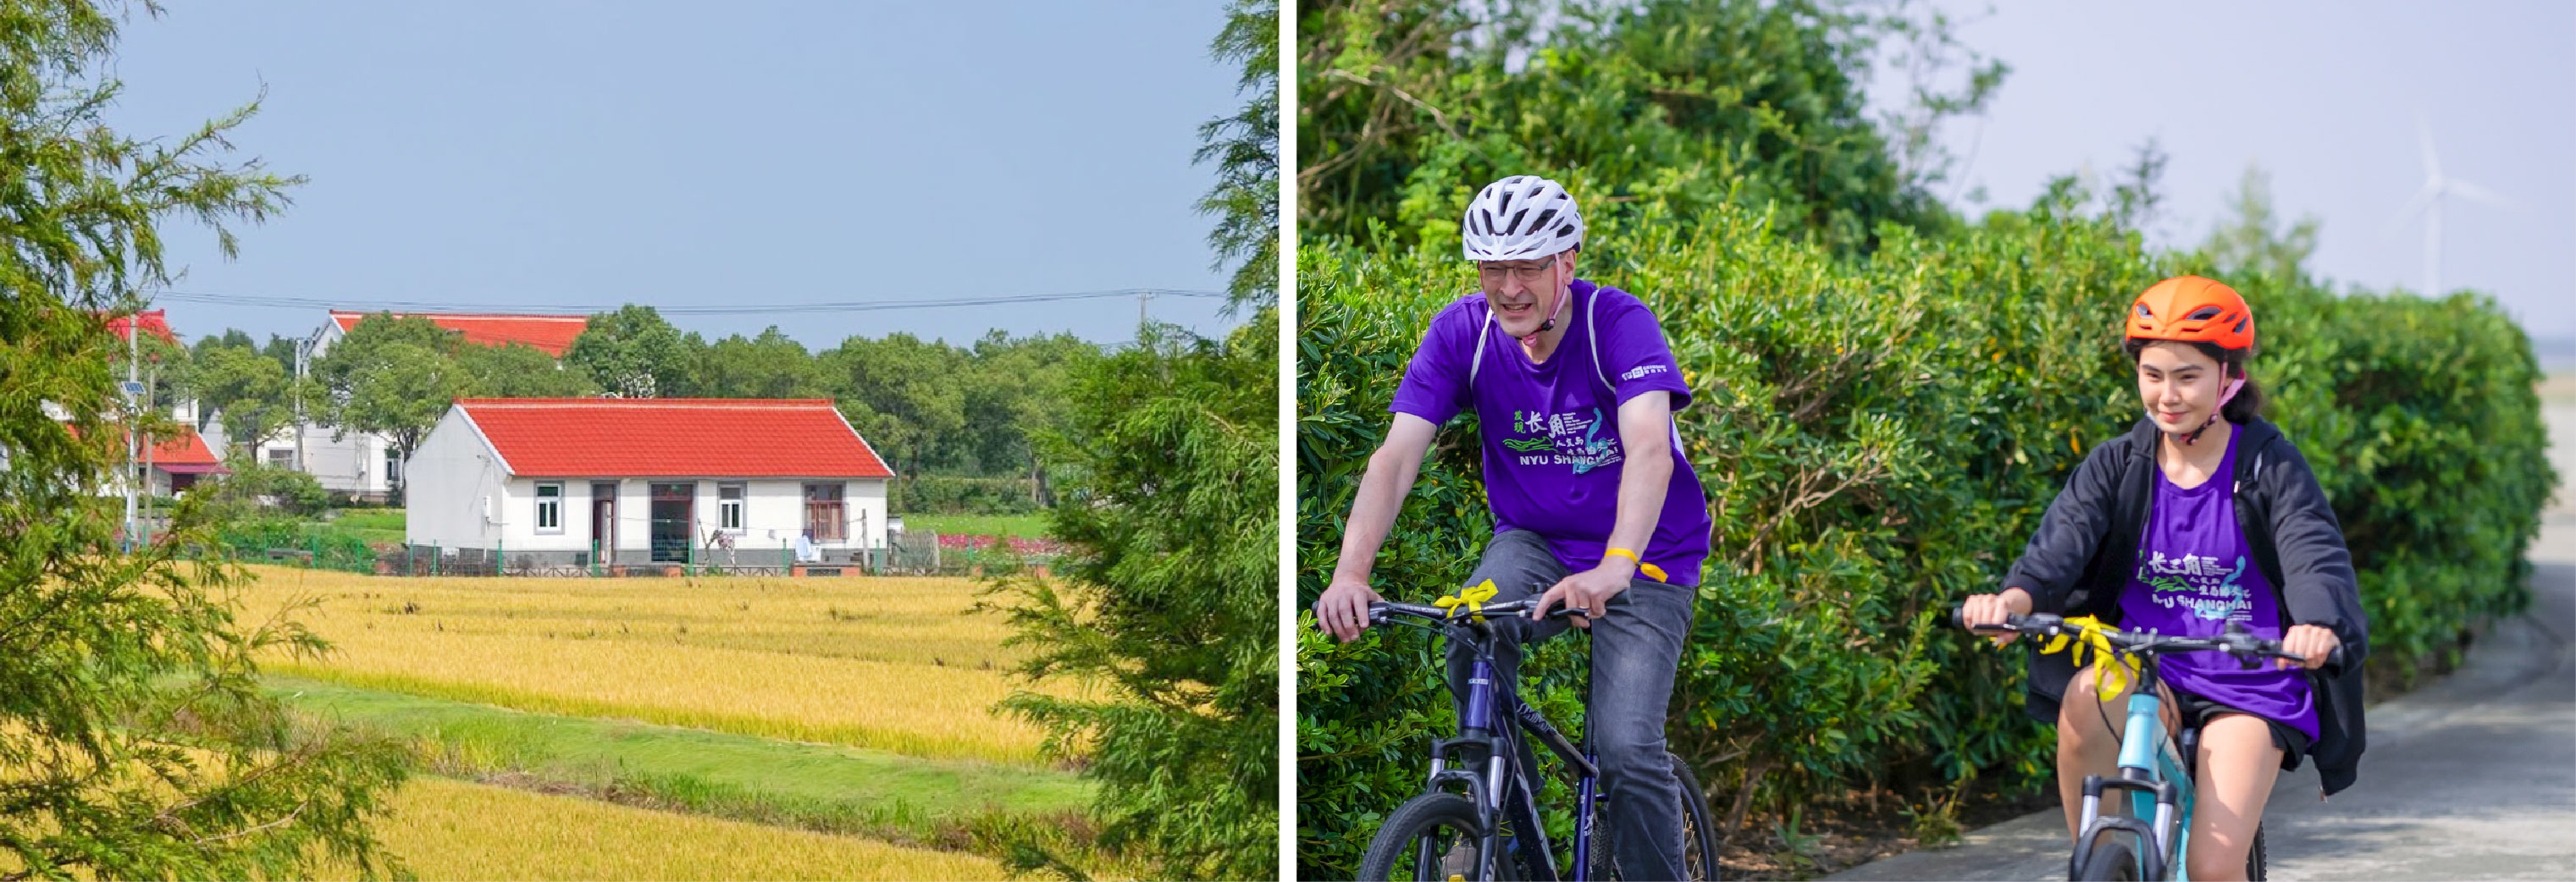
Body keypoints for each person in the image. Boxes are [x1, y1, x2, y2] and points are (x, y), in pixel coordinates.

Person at [1311, 174, 1711, 878]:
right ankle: (1505, 824)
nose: (1509, 286)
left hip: (1647, 554)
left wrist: (1615, 567)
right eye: (1493, 266)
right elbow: (1398, 456)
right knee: (1470, 636)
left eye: (1528, 265)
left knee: (1623, 749)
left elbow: (1649, 445)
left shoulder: (1614, 323)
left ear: (1569, 261)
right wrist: (1352, 571)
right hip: (1534, 544)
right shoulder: (1463, 333)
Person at [1960, 275, 2369, 881]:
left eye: (2187, 376)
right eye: (2153, 375)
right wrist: (2013, 601)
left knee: (2209, 869)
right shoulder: (2118, 464)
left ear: (2227, 378)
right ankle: (2104, 862)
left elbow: (2311, 550)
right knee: (2085, 695)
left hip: (2249, 677)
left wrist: (2317, 625)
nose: (2168, 395)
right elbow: (2060, 546)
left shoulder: (2268, 465)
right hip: (2150, 664)